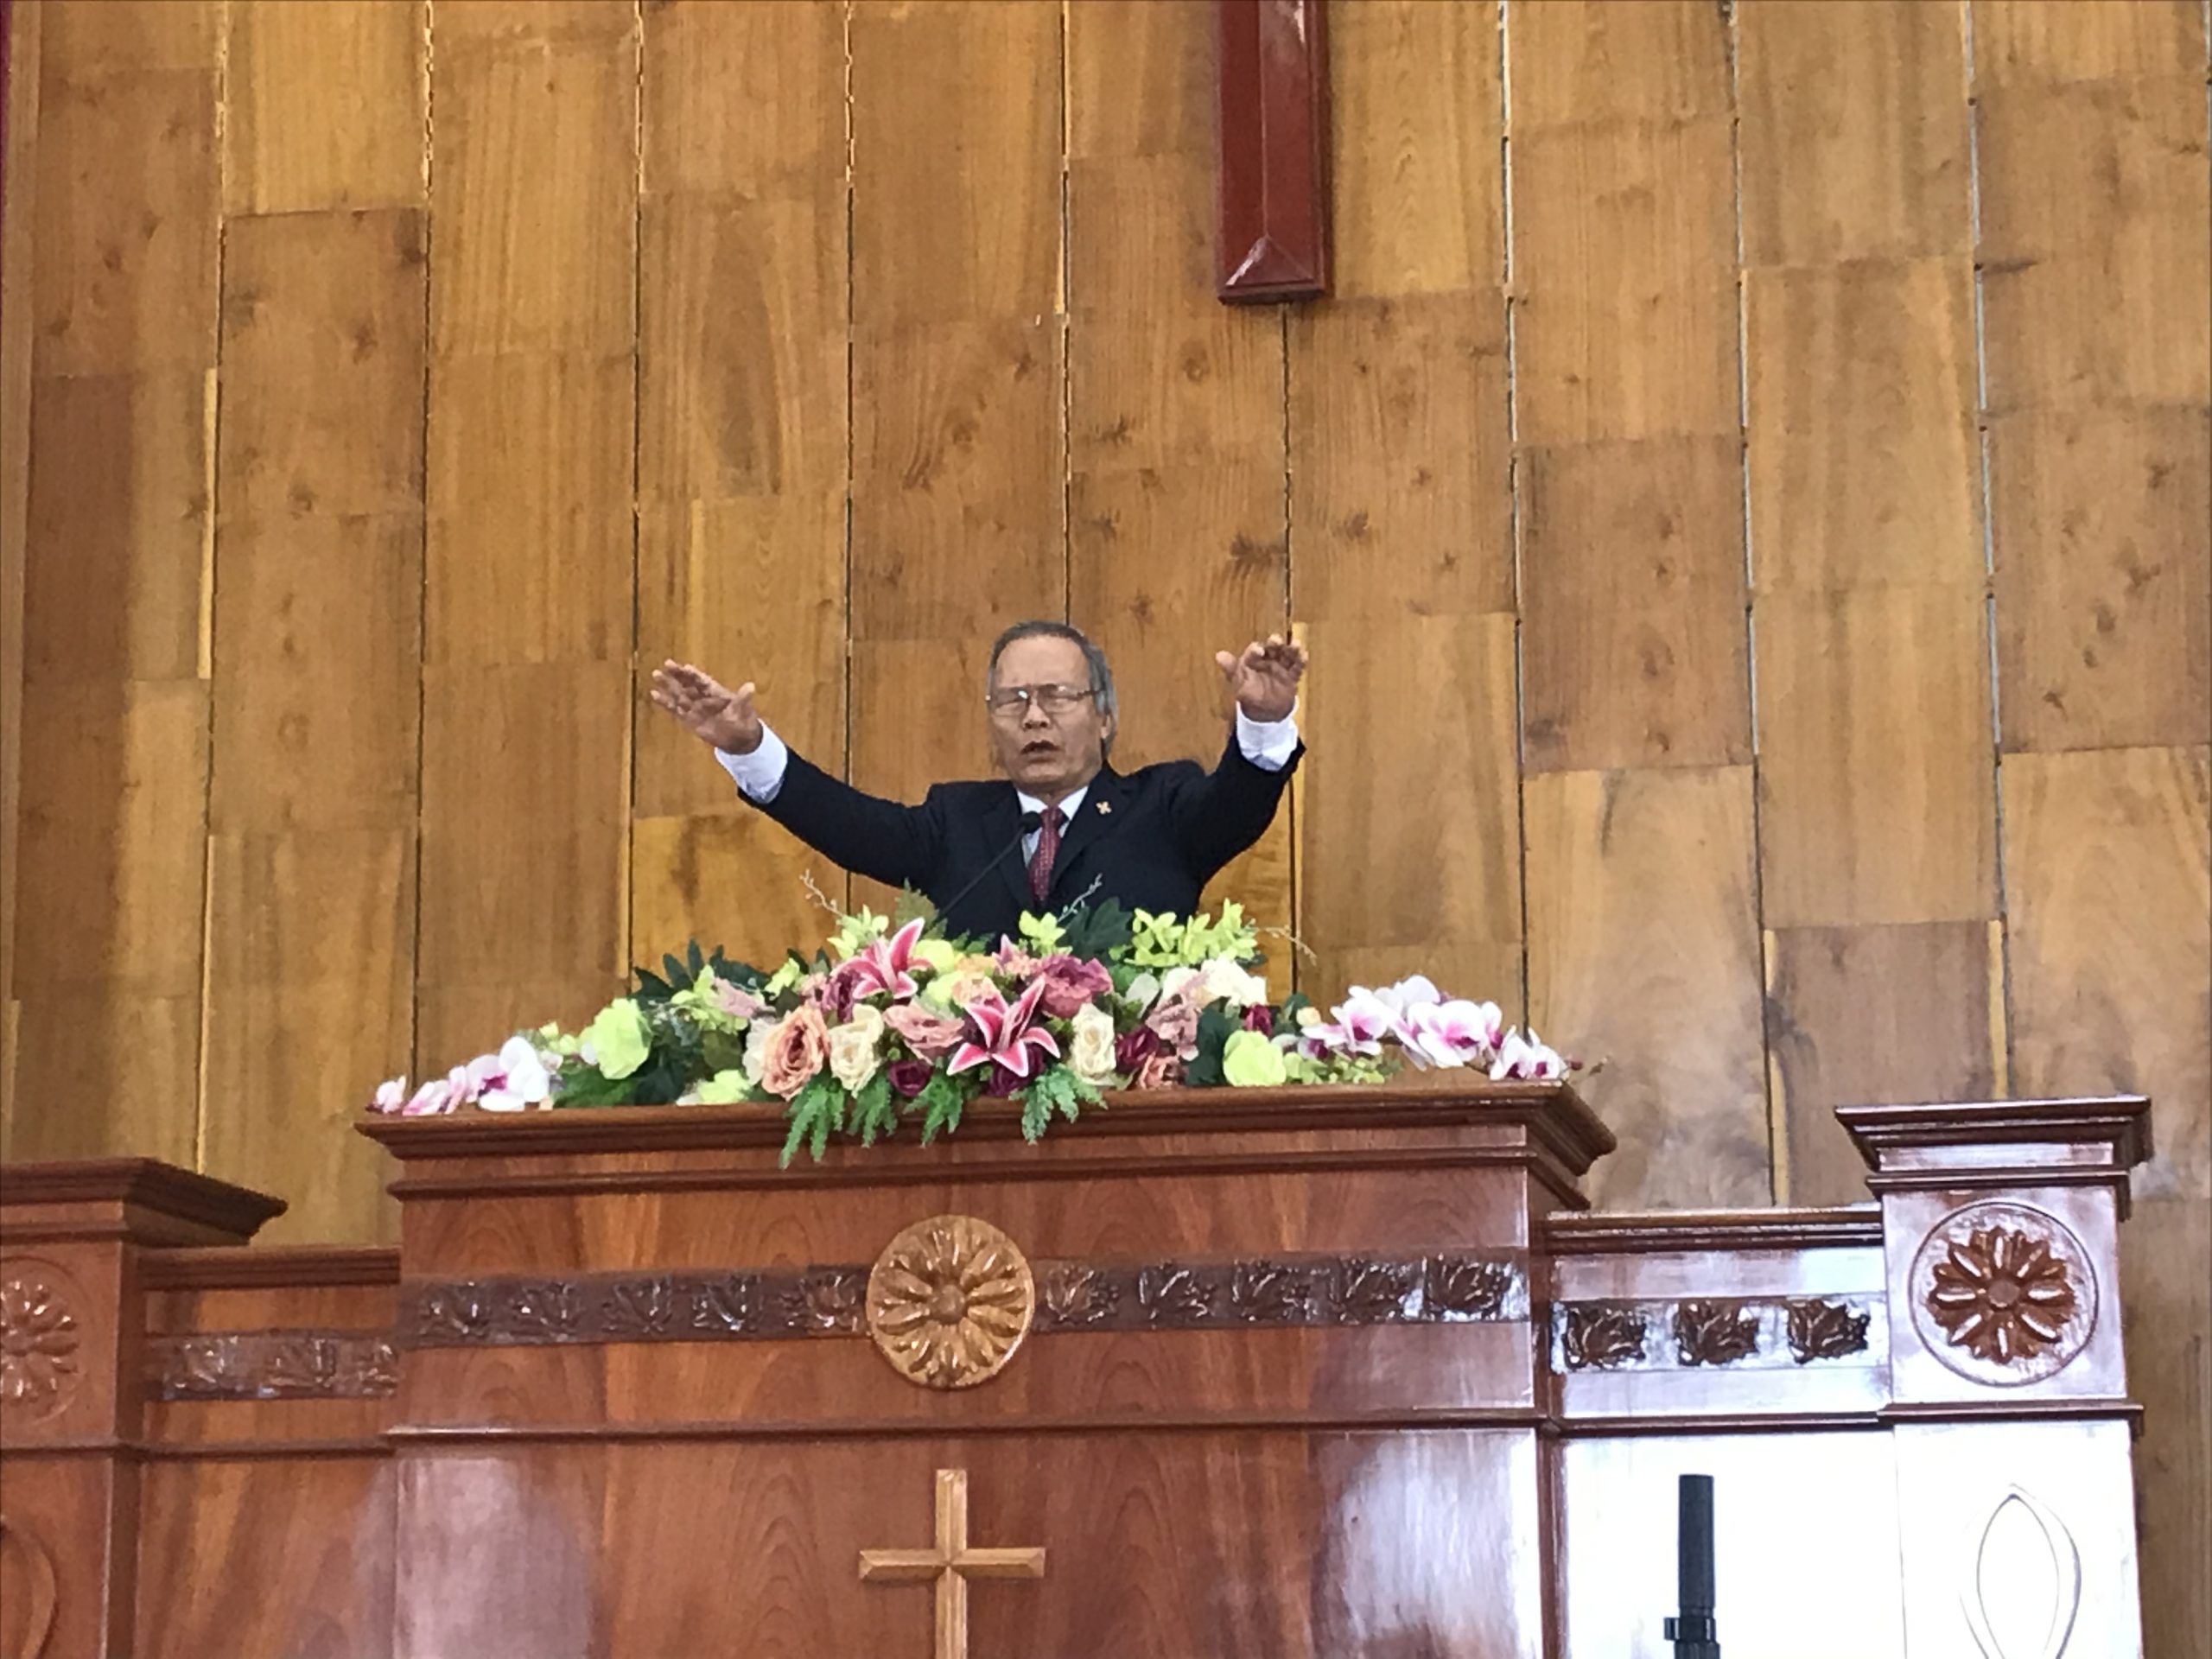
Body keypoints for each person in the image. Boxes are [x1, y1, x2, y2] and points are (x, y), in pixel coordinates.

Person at [649, 620, 1307, 944]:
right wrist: (748, 748)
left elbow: (1238, 805)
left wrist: (1264, 719)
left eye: (1057, 696)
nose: (1035, 717)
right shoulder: (956, 822)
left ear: (1105, 716)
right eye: (1013, 700)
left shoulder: (1164, 808)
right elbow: (848, 825)